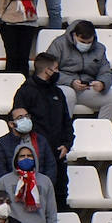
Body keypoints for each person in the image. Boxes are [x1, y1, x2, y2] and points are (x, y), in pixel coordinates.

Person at [13, 53, 74, 209]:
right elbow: (19, 121)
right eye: (55, 69)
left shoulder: (57, 93)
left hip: (58, 152)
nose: (57, 72)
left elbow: (66, 121)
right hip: (36, 153)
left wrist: (67, 144)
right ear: (47, 71)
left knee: (60, 193)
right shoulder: (25, 92)